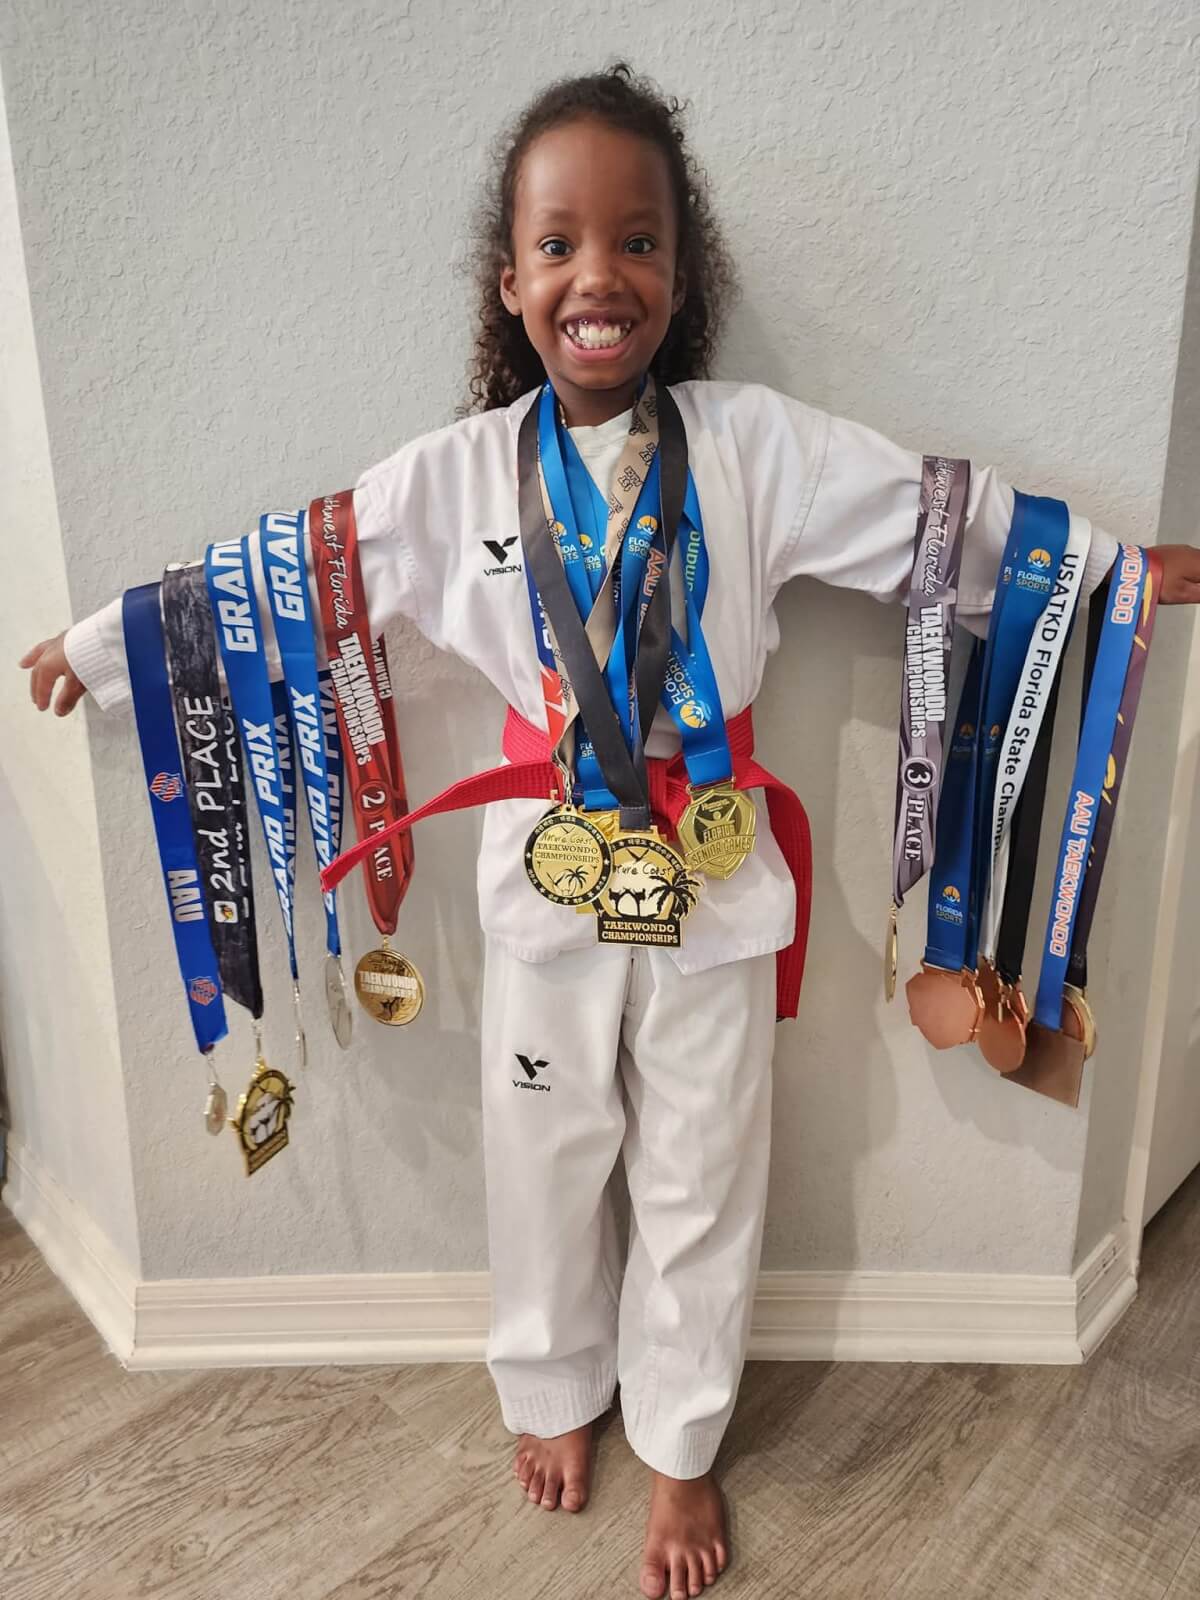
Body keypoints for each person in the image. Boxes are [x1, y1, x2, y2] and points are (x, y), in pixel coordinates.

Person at [19, 61, 1200, 1600]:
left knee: (707, 1168)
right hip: (547, 886)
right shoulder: (453, 481)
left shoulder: (756, 445)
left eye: (636, 241)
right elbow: (284, 574)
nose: (600, 275)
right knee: (544, 1154)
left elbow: (932, 515)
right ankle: (557, 1395)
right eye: (561, 244)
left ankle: (686, 1442)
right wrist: (106, 645)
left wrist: (1103, 572)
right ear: (510, 283)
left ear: (679, 273)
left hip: (712, 883)